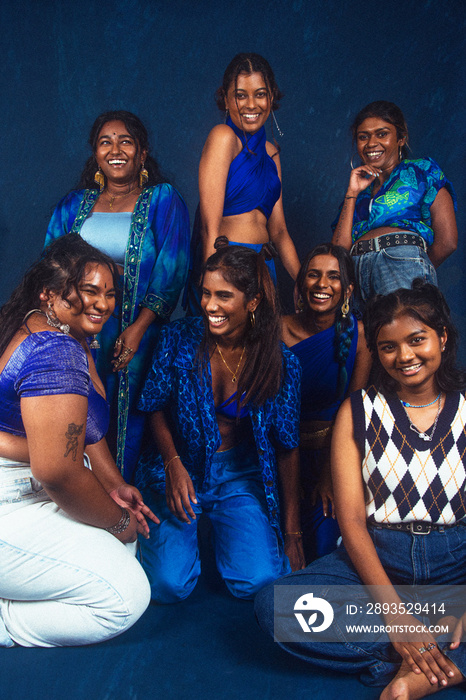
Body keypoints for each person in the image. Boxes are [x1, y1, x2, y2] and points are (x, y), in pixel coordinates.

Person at [255, 280, 466, 698]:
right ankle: (438, 649)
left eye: (417, 340)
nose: (404, 356)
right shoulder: (357, 411)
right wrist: (393, 614)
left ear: (441, 337)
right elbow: (351, 521)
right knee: (274, 606)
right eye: (388, 346)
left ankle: (421, 665)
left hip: (454, 562)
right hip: (376, 561)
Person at [0, 235, 155, 648]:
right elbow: (57, 470)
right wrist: (118, 521)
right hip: (14, 500)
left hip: (34, 489)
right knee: (127, 597)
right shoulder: (56, 350)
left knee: (125, 552)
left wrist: (113, 485)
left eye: (109, 293)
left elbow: (80, 432)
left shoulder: (56, 332)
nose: (103, 304)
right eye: (89, 291)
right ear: (50, 293)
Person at [135, 241, 305, 603]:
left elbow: (288, 447)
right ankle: (184, 536)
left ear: (252, 302)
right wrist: (172, 463)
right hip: (178, 467)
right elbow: (152, 405)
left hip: (239, 474)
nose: (210, 305)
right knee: (167, 586)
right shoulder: (178, 339)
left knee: (258, 582)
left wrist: (292, 534)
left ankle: (226, 529)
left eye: (224, 296)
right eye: (206, 293)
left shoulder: (280, 362)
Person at [44, 110, 190, 481]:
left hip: (137, 335)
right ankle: (85, 502)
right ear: (95, 153)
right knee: (79, 411)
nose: (115, 149)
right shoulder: (72, 206)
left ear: (142, 153)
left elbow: (172, 268)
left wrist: (139, 328)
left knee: (133, 422)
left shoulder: (161, 200)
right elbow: (51, 266)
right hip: (79, 334)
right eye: (105, 142)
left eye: (126, 141)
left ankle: (128, 513)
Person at [185, 52, 300, 312]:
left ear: (271, 97)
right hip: (227, 264)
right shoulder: (223, 137)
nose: (251, 104)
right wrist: (211, 287)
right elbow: (209, 227)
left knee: (262, 351)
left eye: (260, 94)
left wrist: (303, 281)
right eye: (240, 95)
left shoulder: (272, 152)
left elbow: (279, 232)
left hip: (263, 266)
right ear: (225, 99)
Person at [281, 243, 371, 562]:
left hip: (333, 456)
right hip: (280, 456)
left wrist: (330, 476)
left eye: (333, 277)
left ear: (346, 290)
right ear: (301, 283)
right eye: (313, 275)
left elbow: (353, 410)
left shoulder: (359, 336)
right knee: (275, 559)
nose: (322, 285)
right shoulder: (277, 330)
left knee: (323, 549)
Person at [331, 101, 457, 312]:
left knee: (402, 336)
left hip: (401, 265)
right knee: (366, 343)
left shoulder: (423, 171)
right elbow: (338, 252)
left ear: (401, 139)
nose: (372, 143)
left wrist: (413, 267)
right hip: (356, 273)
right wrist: (351, 193)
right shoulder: (358, 194)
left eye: (382, 134)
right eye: (363, 136)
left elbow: (448, 241)